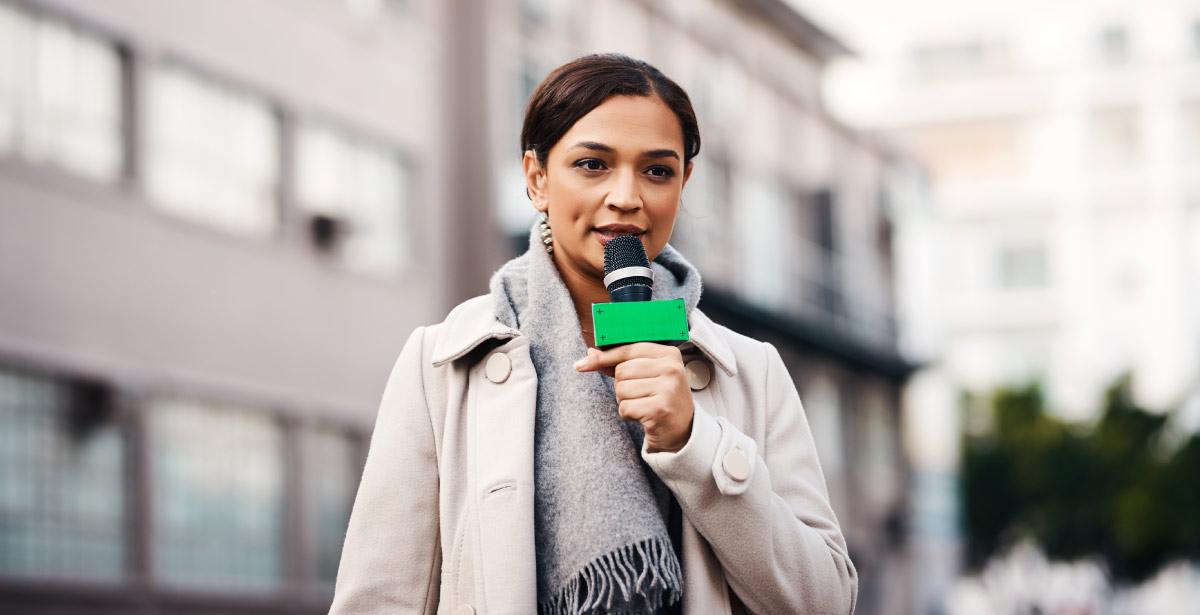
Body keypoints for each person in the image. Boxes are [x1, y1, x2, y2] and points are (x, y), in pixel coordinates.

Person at [329, 53, 857, 615]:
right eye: (592, 164)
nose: (626, 196)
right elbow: (379, 600)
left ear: (683, 183)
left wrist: (693, 442)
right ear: (537, 179)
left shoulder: (751, 372)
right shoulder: (441, 365)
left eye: (657, 171)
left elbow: (826, 602)